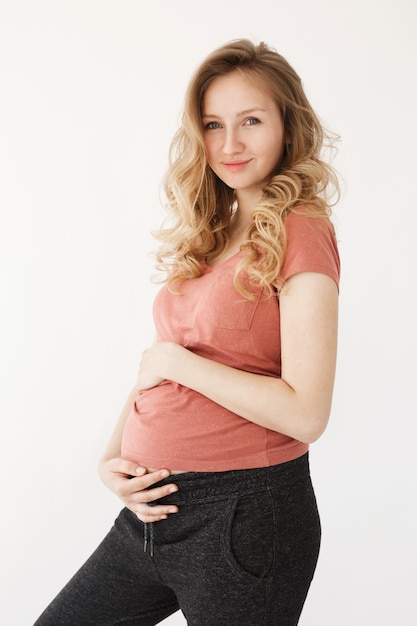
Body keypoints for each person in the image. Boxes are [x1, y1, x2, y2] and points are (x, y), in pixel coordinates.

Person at [34, 38, 340, 626]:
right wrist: (112, 458)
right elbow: (161, 362)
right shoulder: (212, 232)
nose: (230, 143)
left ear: (288, 126)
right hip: (151, 514)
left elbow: (307, 414)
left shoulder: (301, 229)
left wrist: (175, 363)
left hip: (245, 515)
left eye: (251, 120)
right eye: (213, 124)